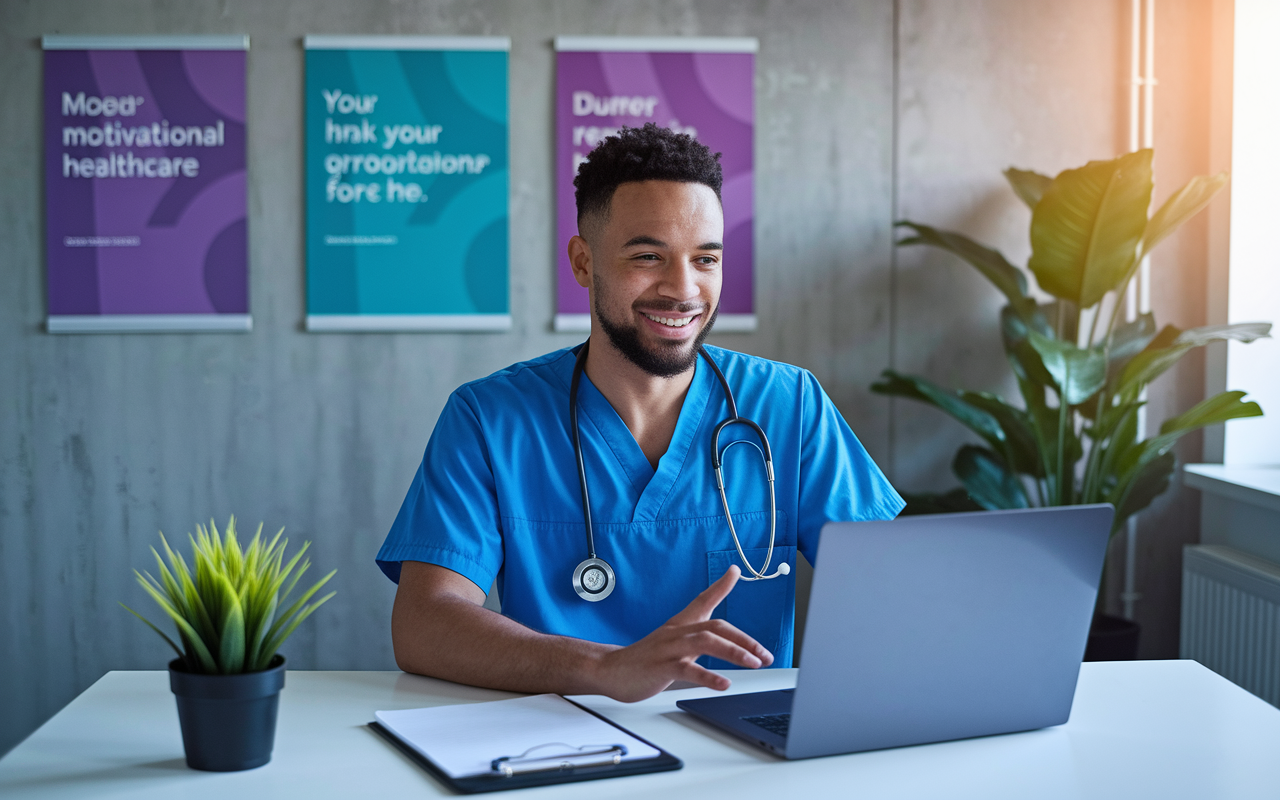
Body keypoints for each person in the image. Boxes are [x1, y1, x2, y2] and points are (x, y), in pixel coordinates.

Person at [378, 123, 902, 703]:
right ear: (583, 263)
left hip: (745, 750)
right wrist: (604, 668)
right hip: (559, 741)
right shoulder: (489, 418)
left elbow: (893, 588)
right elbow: (424, 623)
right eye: (648, 256)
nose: (683, 290)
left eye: (706, 259)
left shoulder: (789, 405)